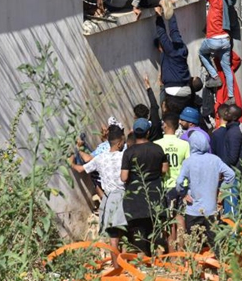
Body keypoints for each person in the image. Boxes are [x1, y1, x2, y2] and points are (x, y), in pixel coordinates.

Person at [69, 125, 127, 268]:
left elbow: (81, 169)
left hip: (109, 199)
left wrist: (71, 162)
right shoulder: (126, 156)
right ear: (120, 142)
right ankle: (124, 263)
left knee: (113, 235)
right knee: (125, 233)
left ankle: (116, 265)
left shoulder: (100, 158)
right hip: (125, 197)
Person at [175, 131, 235, 252]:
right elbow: (231, 175)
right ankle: (219, 267)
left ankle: (194, 268)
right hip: (211, 209)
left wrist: (183, 193)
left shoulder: (189, 162)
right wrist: (221, 189)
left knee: (193, 243)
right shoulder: (215, 160)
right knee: (215, 242)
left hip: (193, 209)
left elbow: (179, 182)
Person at [120, 118, 169, 256]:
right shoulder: (158, 149)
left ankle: (143, 266)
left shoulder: (129, 152)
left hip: (135, 197)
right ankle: (161, 265)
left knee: (138, 233)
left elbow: (124, 177)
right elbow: (164, 170)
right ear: (148, 133)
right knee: (157, 231)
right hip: (155, 194)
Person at [192, 0, 234, 103]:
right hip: (226, 39)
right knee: (227, 68)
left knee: (202, 53)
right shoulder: (227, 2)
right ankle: (231, 97)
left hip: (213, 39)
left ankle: (215, 76)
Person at [155, 113, 190, 249]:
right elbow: (188, 165)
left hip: (165, 185)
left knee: (169, 220)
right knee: (180, 217)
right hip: (181, 186)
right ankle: (180, 251)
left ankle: (171, 254)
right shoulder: (184, 144)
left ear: (165, 125)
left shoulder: (157, 144)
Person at [153, 0, 193, 108]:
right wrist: (170, 13)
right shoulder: (182, 48)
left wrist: (158, 16)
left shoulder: (171, 50)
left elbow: (162, 35)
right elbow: (174, 31)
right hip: (186, 89)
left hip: (173, 90)